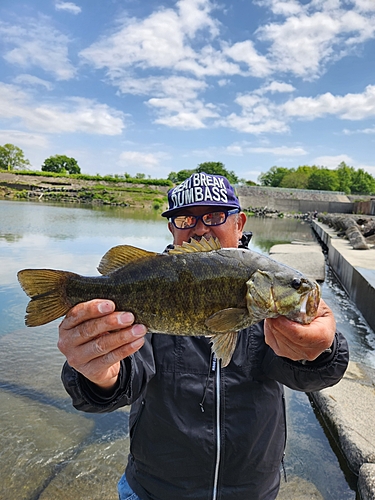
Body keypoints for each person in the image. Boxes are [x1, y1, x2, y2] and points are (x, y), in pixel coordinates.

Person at [58, 172, 349, 500]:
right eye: (185, 218)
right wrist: (96, 375)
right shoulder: (149, 280)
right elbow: (121, 380)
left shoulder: (268, 300)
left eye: (214, 215)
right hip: (154, 491)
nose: (199, 228)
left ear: (239, 224)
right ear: (172, 229)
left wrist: (320, 351)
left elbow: (308, 376)